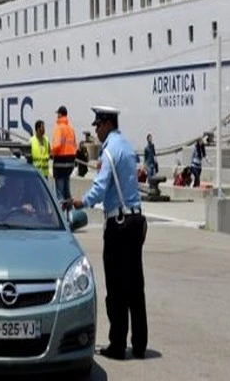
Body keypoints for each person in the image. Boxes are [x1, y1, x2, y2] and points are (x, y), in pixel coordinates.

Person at [62, 106, 148, 360]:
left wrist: (81, 202)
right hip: (136, 219)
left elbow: (100, 187)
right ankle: (140, 344)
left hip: (119, 224)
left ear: (107, 124)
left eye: (98, 126)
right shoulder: (128, 147)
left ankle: (118, 345)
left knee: (116, 287)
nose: (97, 131)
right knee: (135, 286)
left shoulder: (110, 151)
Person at [51, 105, 78, 200]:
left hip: (60, 163)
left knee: (59, 192)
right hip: (70, 163)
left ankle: (61, 213)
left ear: (59, 114)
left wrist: (52, 152)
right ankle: (70, 212)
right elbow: (75, 145)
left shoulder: (58, 128)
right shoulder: (71, 129)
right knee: (67, 191)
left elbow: (57, 145)